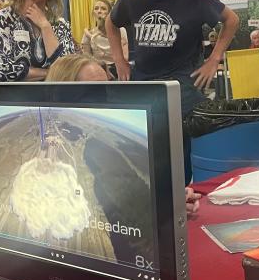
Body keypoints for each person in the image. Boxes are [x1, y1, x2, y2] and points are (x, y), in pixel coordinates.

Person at [106, 0, 239, 182]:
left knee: (182, 154)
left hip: (182, 87)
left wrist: (214, 59)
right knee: (144, 152)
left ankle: (184, 197)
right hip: (145, 84)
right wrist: (120, 61)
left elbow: (231, 20)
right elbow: (110, 23)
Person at [44, 53, 201, 216]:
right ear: (62, 95)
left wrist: (169, 200)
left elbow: (130, 193)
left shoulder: (114, 138)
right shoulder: (49, 152)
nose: (104, 99)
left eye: (106, 89)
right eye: (93, 92)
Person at [81, 0, 128, 78]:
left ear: (110, 12)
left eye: (103, 9)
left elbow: (125, 57)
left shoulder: (120, 31)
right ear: (93, 13)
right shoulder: (88, 33)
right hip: (97, 71)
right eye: (96, 8)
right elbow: (87, 59)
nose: (99, 11)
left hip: (117, 70)